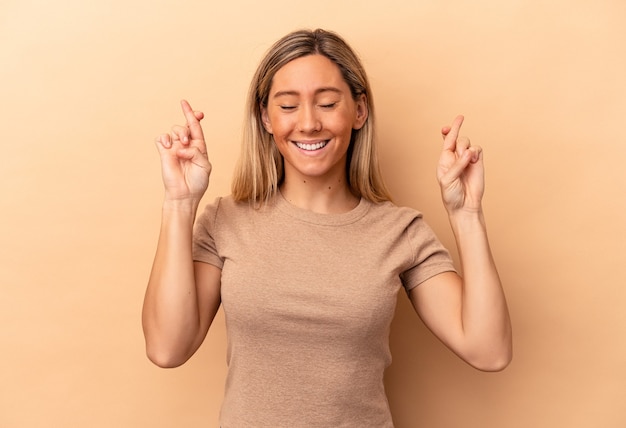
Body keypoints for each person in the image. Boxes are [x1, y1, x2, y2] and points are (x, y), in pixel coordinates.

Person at [142, 28, 512, 427]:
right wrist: (180, 203)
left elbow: (488, 350)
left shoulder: (400, 231)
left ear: (359, 111)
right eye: (287, 106)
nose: (308, 123)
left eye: (327, 103)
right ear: (265, 117)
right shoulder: (224, 221)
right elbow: (167, 348)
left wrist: (467, 213)